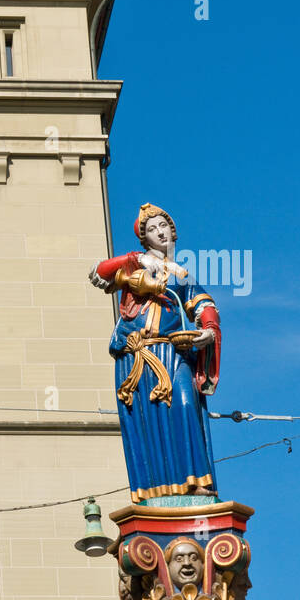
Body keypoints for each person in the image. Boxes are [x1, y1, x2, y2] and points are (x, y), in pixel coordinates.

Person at [90, 203, 221, 503]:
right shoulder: (135, 264)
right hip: (135, 356)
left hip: (172, 351)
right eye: (152, 229)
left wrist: (209, 330)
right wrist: (131, 260)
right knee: (144, 421)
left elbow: (204, 307)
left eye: (163, 226)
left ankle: (196, 481)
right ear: (144, 238)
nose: (159, 231)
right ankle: (150, 489)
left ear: (172, 232)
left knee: (186, 404)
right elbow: (99, 273)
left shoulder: (181, 275)